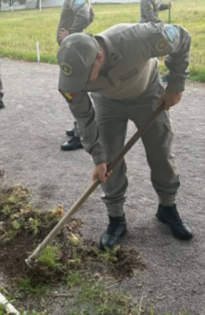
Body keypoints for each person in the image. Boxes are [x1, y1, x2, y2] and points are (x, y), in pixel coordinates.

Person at [56, 22, 193, 250]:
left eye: (84, 77)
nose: (79, 85)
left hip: (148, 93)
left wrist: (176, 86)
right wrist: (98, 156)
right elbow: (83, 118)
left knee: (161, 153)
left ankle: (167, 208)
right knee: (109, 160)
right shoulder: (71, 76)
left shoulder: (137, 38)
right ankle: (116, 219)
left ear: (99, 57)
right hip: (108, 103)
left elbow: (183, 37)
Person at [56, 0, 95, 151]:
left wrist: (72, 34)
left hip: (73, 51)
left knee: (73, 92)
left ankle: (81, 134)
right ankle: (79, 126)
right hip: (74, 48)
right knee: (75, 91)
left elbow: (85, 16)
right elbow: (91, 15)